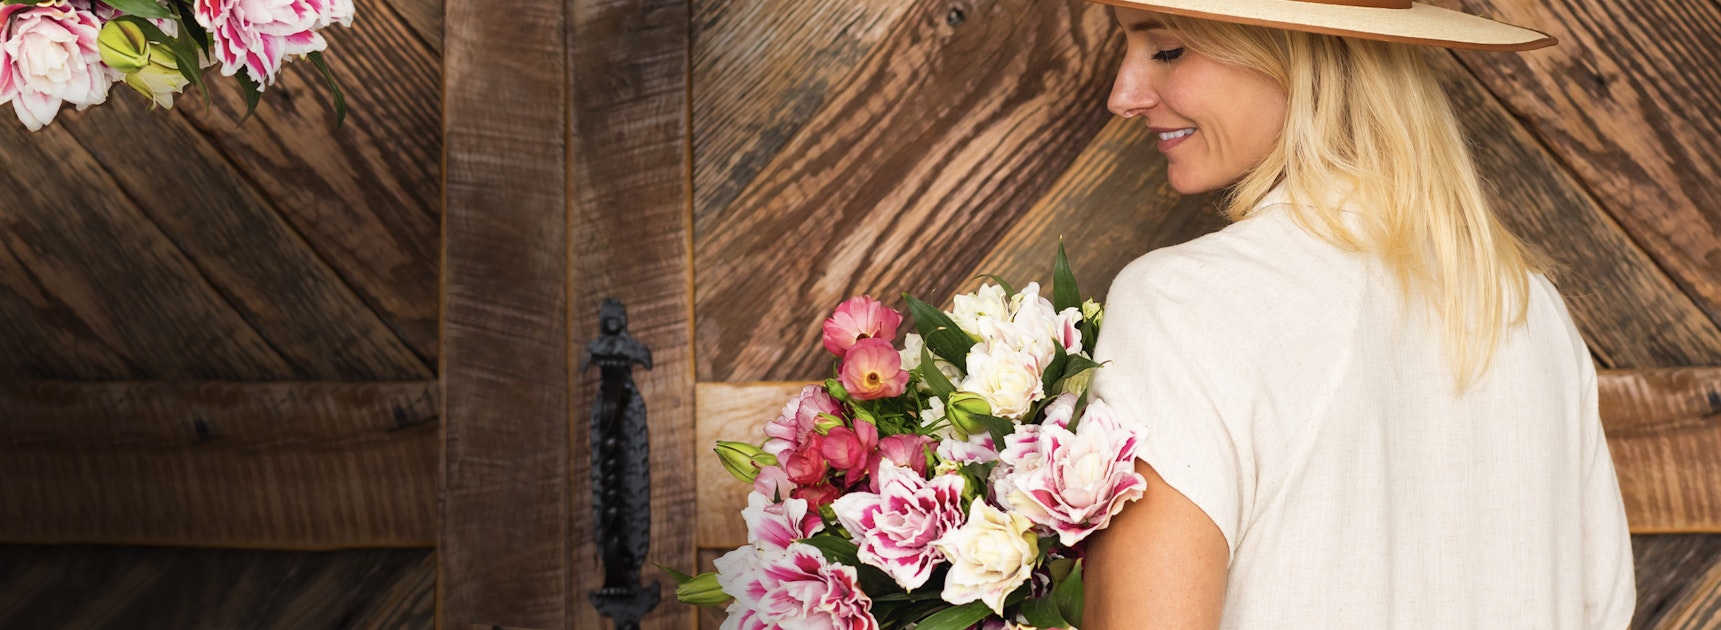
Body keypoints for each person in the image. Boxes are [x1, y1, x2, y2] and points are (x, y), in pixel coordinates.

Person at [1079, 1, 1636, 627]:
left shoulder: (1183, 303)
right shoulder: (1532, 313)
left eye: (1168, 50)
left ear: (1302, 54)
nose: (1122, 95)